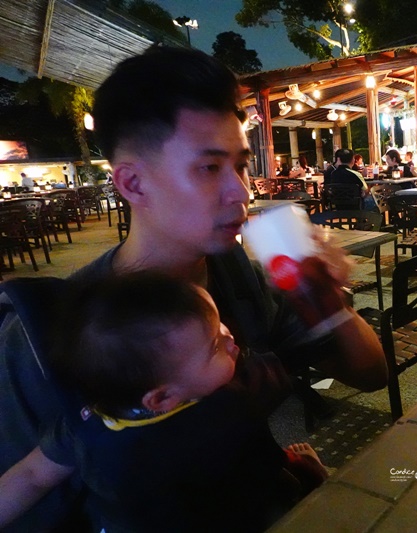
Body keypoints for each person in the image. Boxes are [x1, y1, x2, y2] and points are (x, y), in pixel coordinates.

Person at [0, 45, 386, 531]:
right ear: (133, 184)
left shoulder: (237, 274)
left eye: (241, 165)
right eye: (209, 167)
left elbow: (371, 375)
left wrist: (328, 305)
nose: (241, 191)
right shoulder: (53, 330)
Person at [0, 273, 329, 531]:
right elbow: (263, 475)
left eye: (219, 325)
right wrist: (302, 471)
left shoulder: (85, 422)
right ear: (162, 397)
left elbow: (32, 475)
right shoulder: (223, 411)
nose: (231, 340)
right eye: (215, 345)